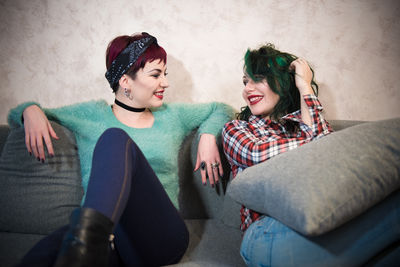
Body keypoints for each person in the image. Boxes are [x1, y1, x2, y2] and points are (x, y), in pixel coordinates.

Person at [8, 32, 234, 266]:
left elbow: (222, 109)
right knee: (53, 248)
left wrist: (208, 136)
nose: (165, 83)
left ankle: (92, 241)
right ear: (125, 81)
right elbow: (20, 115)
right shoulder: (91, 115)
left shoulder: (172, 115)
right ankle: (88, 245)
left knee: (115, 139)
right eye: (156, 75)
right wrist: (30, 110)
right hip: (115, 241)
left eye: (164, 74)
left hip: (161, 238)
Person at [222, 44, 335, 265]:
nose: (247, 89)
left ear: (283, 84)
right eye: (245, 81)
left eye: (258, 79)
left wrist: (304, 87)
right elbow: (256, 154)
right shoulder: (237, 129)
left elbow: (329, 153)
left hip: (316, 222)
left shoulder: (302, 127)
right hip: (265, 232)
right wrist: (315, 144)